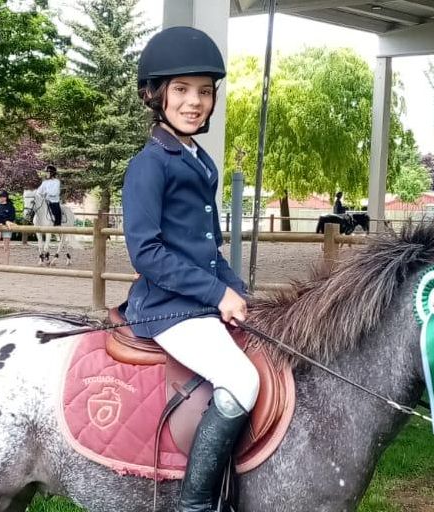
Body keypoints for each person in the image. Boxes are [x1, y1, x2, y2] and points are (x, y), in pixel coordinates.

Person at [124, 26, 256, 512]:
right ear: (155, 95)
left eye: (204, 91)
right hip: (165, 308)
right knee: (243, 382)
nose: (194, 101)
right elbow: (147, 252)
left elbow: (207, 249)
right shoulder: (149, 164)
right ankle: (196, 503)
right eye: (181, 90)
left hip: (196, 300)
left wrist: (238, 291)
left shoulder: (200, 161)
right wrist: (216, 295)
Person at [0, 189, 16, 265]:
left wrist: (5, 222)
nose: (0, 198)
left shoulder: (11, 207)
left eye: (1, 197)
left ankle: (6, 264)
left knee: (6, 247)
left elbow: (12, 218)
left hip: (7, 228)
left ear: (5, 197)